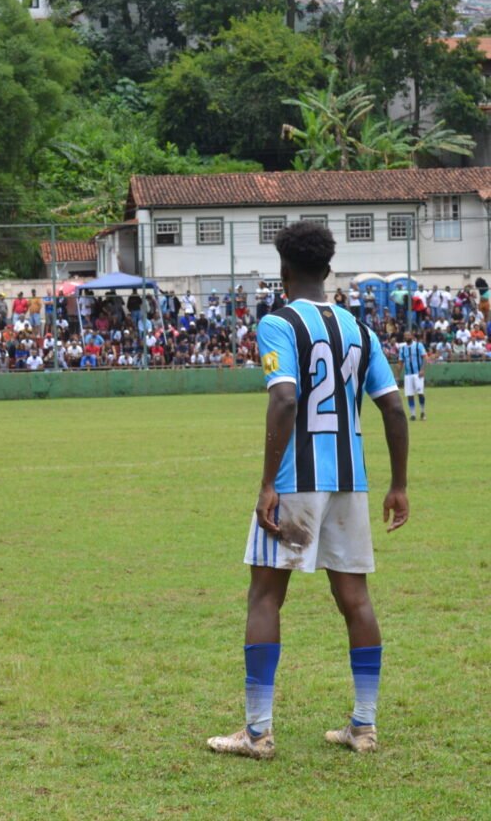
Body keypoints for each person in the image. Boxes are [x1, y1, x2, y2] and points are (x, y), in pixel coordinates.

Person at [207, 220, 409, 760]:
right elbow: (392, 405)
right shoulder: (360, 331)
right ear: (328, 270)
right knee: (356, 599)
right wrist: (400, 484)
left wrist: (268, 481)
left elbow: (286, 399)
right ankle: (363, 727)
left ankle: (257, 733)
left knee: (266, 594)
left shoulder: (277, 324)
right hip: (351, 483)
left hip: (296, 484)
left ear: (285, 271)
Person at [397, 330, 427, 421]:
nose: (406, 337)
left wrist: (422, 370)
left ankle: (422, 411)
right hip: (408, 375)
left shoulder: (419, 345)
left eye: (408, 335)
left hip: (418, 374)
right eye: (405, 335)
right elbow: (401, 362)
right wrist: (397, 375)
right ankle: (413, 414)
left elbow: (425, 358)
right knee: (409, 394)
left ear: (412, 336)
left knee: (420, 393)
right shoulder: (402, 348)